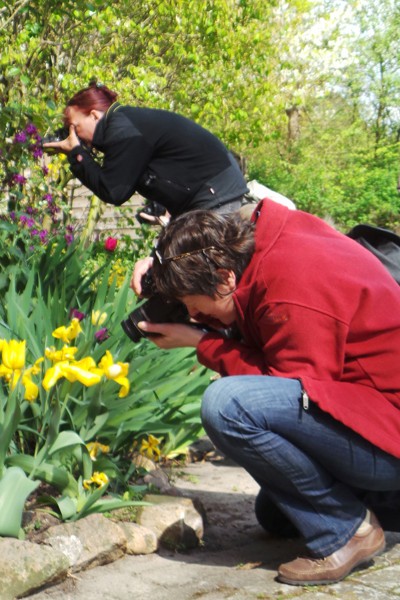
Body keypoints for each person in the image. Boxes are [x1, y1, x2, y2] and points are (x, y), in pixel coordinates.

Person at [136, 199, 400, 586]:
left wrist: (201, 342)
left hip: (387, 431)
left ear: (225, 279)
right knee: (275, 514)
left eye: (196, 306)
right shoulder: (264, 243)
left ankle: (348, 532)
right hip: (373, 417)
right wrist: (163, 260)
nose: (196, 317)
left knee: (226, 405)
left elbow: (293, 389)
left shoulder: (290, 284)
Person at [42, 81, 248, 292]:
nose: (73, 134)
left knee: (196, 279)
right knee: (171, 273)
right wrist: (77, 153)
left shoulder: (122, 127)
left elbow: (114, 191)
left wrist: (76, 153)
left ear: (94, 115)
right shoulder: (124, 123)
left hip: (215, 192)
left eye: (74, 127)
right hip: (205, 195)